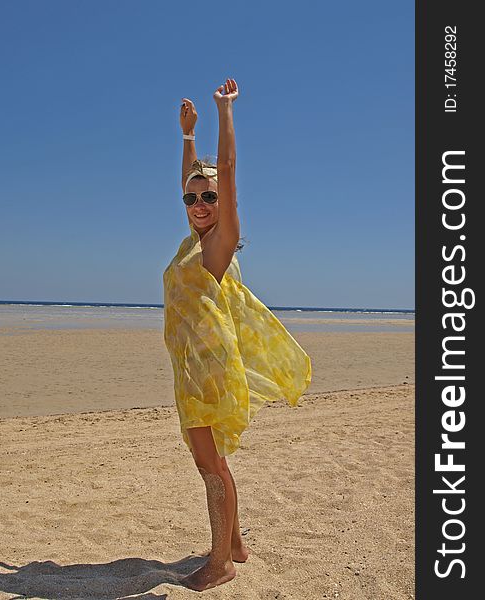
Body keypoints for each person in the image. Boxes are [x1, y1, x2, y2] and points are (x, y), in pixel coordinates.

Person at [163, 78, 312, 591]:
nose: (201, 201)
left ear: (222, 202)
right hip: (191, 368)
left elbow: (223, 172)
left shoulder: (219, 244)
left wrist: (223, 111)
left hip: (210, 374)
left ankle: (220, 561)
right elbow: (198, 174)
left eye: (209, 196)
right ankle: (238, 544)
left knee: (209, 467)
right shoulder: (192, 240)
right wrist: (187, 137)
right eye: (192, 196)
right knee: (216, 462)